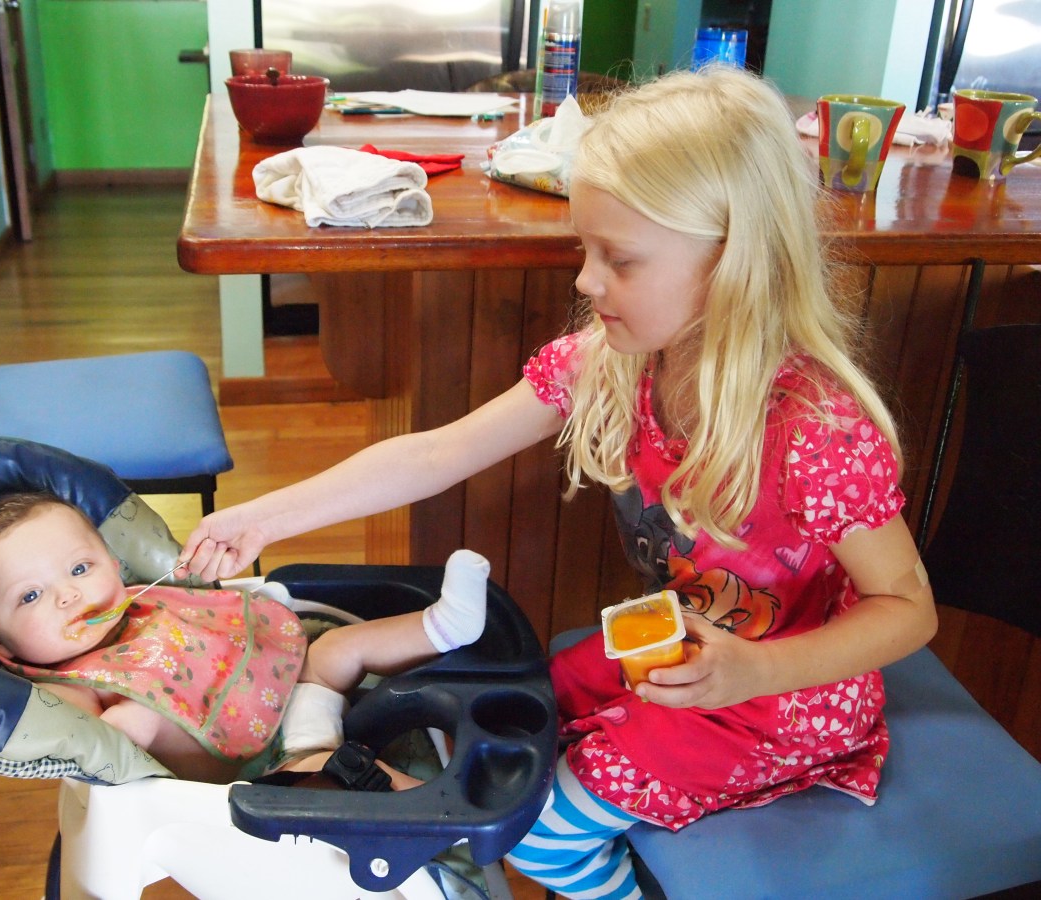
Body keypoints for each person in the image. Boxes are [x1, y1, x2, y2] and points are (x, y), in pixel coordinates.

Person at [177, 65, 938, 899]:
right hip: (673, 649)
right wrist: (264, 518)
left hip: (785, 702)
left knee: (535, 835)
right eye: (587, 249)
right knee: (509, 720)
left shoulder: (817, 432)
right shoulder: (614, 362)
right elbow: (435, 454)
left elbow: (908, 609)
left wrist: (755, 673)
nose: (585, 280)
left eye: (621, 259)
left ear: (732, 261)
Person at [0, 492, 490, 786]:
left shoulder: (145, 600)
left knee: (338, 648)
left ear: (113, 564)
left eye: (79, 568)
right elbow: (83, 740)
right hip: (269, 766)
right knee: (338, 777)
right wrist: (130, 718)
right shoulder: (70, 684)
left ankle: (443, 625)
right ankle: (443, 810)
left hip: (293, 688)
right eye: (30, 596)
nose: (68, 595)